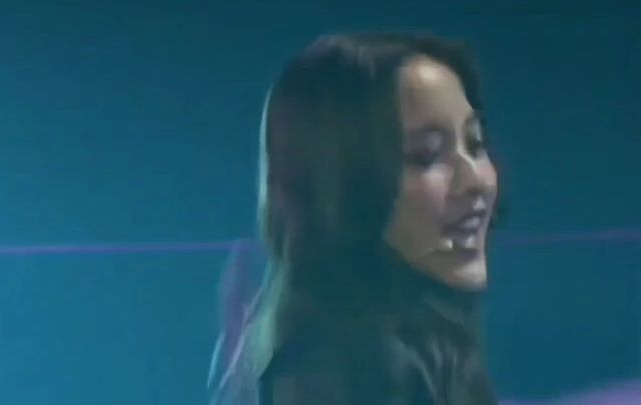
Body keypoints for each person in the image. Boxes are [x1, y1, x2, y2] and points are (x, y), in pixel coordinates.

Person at [210, 32, 499, 405]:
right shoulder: (341, 369)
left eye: (475, 144)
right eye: (426, 156)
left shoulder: (416, 345)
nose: (476, 181)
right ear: (344, 186)